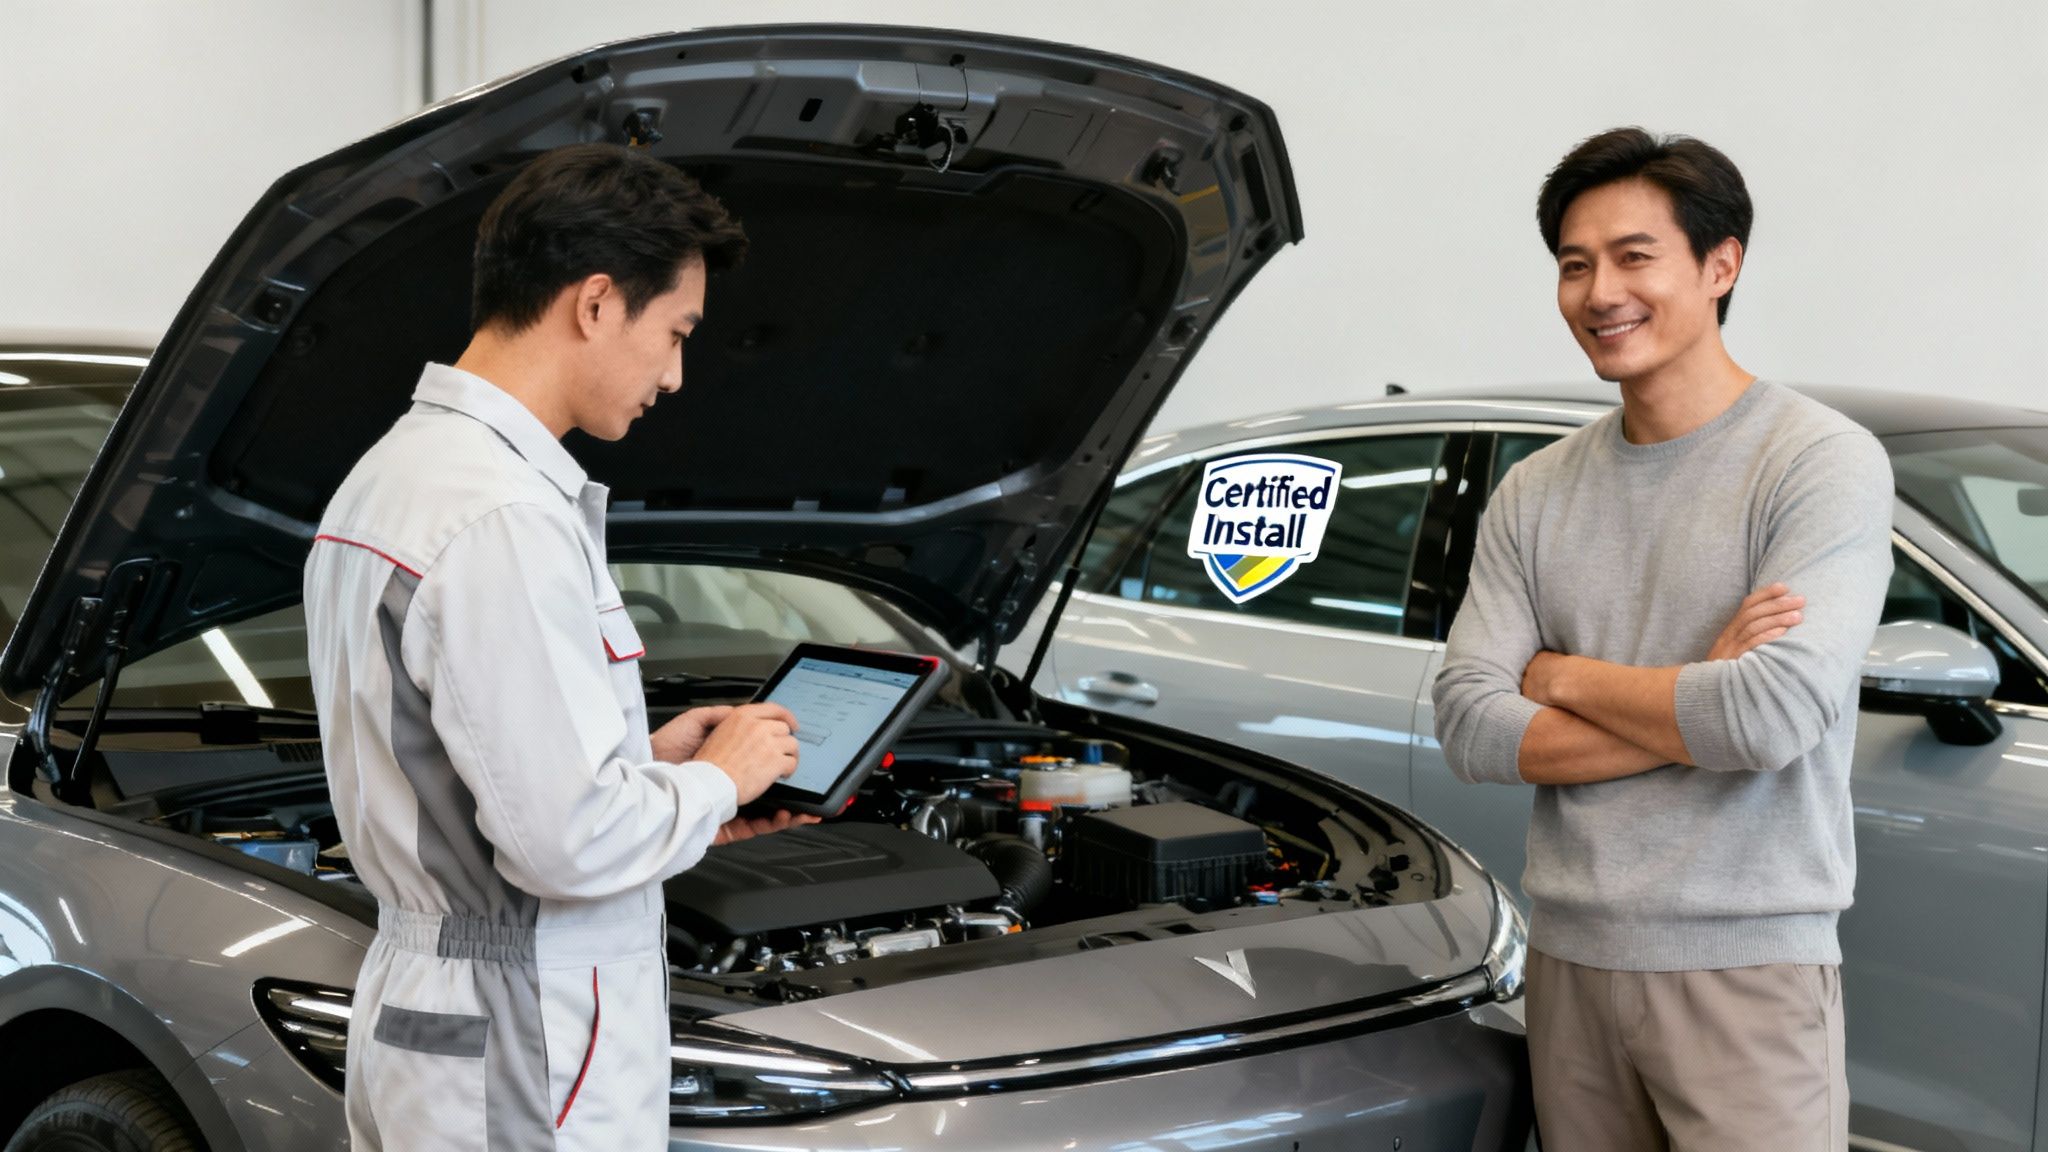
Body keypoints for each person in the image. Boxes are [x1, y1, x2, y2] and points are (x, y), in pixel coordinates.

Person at [305, 142, 813, 1152]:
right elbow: (562, 843)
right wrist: (717, 782)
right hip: (523, 1027)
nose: (673, 376)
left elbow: (479, 763)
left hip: (447, 1009)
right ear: (593, 303)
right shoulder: (498, 518)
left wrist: (651, 772)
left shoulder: (398, 474)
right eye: (674, 332)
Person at [1432, 127, 1893, 1150]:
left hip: (1744, 969)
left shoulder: (1815, 464)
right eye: (1573, 264)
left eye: (1634, 256)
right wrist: (1699, 690)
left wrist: (1558, 677)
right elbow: (1468, 726)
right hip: (1568, 964)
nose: (1600, 291)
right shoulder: (1535, 491)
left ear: (1718, 264)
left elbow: (1770, 713)